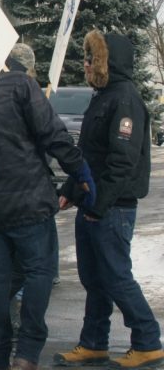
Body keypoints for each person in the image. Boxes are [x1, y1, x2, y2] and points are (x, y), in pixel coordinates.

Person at [0, 43, 95, 370]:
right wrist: (80, 172)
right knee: (40, 270)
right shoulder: (20, 85)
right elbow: (53, 135)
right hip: (29, 199)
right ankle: (28, 350)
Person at [54, 30, 164, 369]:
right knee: (94, 278)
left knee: (116, 276)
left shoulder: (125, 98)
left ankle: (148, 342)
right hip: (93, 205)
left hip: (112, 209)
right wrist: (71, 193)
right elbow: (90, 156)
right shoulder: (103, 96)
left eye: (92, 58)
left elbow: (122, 163)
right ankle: (94, 343)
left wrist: (100, 208)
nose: (85, 64)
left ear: (107, 61)